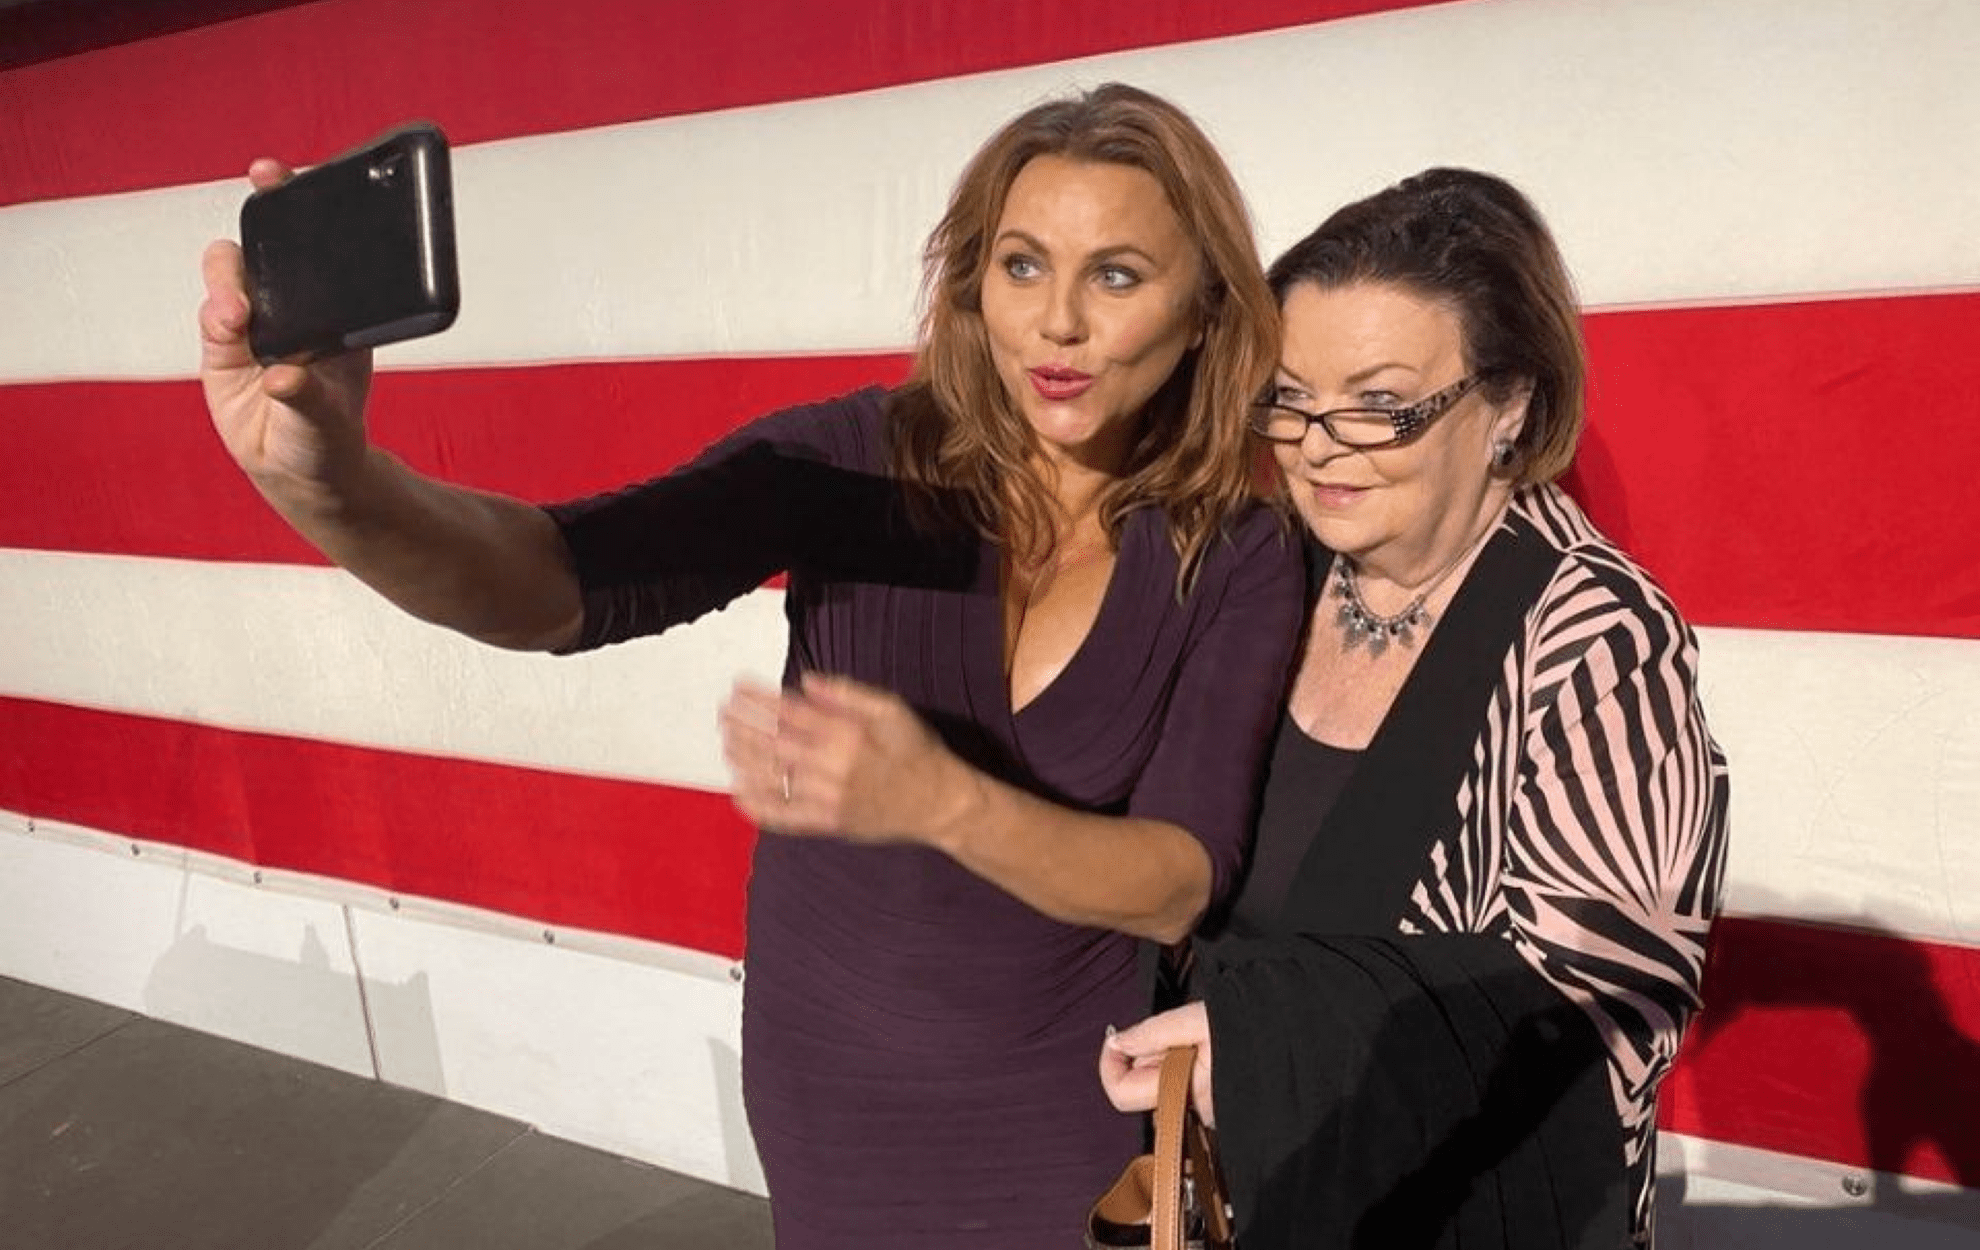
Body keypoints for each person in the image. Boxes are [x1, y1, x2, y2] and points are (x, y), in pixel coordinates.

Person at [196, 85, 1305, 1247]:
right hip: (829, 1093)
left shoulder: (1234, 547)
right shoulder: (850, 462)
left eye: (1117, 275)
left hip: (1064, 1108)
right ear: (975, 281)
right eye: (1022, 266)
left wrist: (943, 799)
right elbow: (560, 579)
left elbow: (1178, 878)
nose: (1057, 323)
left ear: (1205, 311)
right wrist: (336, 481)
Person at [1099, 168, 1730, 1249]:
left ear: (1510, 406)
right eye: (1290, 394)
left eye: (1381, 404)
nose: (1317, 441)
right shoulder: (1269, 572)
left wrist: (1258, 1046)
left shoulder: (1595, 635)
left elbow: (1605, 1007)